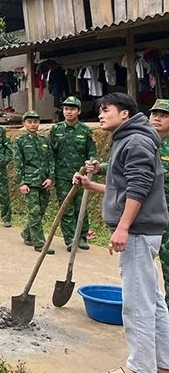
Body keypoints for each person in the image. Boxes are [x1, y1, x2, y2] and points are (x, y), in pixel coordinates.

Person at [76, 92, 169, 373]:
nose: (100, 115)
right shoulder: (130, 138)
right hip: (143, 230)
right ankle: (163, 363)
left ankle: (140, 368)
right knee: (153, 299)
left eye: (106, 110)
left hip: (139, 232)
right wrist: (92, 187)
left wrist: (123, 227)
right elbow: (126, 188)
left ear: (125, 114)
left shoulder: (136, 140)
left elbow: (139, 187)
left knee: (137, 305)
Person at [48, 96, 97, 251]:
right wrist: (51, 175)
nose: (68, 112)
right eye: (66, 109)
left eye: (72, 109)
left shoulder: (85, 131)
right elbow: (50, 154)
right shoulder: (56, 130)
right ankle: (70, 239)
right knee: (66, 207)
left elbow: (92, 154)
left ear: (79, 111)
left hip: (81, 175)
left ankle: (82, 237)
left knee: (81, 206)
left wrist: (90, 170)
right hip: (62, 176)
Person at [13, 111, 55, 255]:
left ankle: (27, 233)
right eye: (30, 122)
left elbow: (50, 160)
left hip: (44, 182)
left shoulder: (44, 141)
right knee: (35, 212)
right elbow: (18, 164)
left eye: (35, 122)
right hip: (30, 183)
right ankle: (40, 244)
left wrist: (50, 178)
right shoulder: (20, 141)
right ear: (24, 124)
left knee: (41, 211)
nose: (33, 124)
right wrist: (22, 183)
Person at [150, 99, 169, 308]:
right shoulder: (144, 141)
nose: (157, 118)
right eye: (154, 114)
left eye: (163, 115)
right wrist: (99, 168)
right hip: (148, 212)